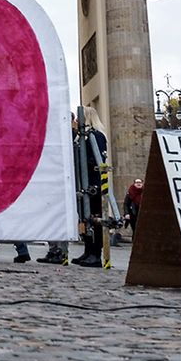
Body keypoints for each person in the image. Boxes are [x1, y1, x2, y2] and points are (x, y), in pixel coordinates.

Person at [72, 107, 108, 268]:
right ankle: (88, 250)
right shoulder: (83, 137)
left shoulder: (97, 136)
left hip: (93, 182)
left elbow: (97, 159)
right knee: (85, 217)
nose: (77, 120)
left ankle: (96, 254)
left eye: (80, 117)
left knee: (95, 217)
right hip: (84, 182)